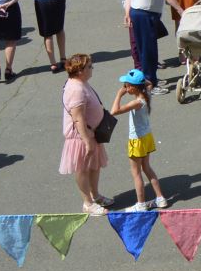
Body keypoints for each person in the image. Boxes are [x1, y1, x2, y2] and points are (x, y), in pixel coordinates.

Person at [58, 53, 111, 215]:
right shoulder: (76, 89)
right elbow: (78, 118)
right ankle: (87, 203)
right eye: (89, 66)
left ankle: (95, 195)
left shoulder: (81, 83)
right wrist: (87, 140)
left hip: (92, 134)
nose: (92, 68)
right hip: (81, 137)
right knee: (82, 169)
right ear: (80, 70)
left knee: (94, 166)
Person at [109, 68, 168, 211]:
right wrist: (137, 82)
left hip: (137, 140)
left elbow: (114, 111)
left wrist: (119, 94)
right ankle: (160, 198)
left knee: (136, 173)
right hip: (147, 137)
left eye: (127, 85)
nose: (125, 88)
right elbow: (148, 83)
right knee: (147, 168)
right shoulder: (147, 93)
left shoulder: (137, 102)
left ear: (133, 87)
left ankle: (141, 204)